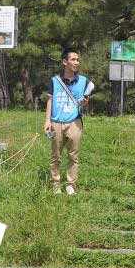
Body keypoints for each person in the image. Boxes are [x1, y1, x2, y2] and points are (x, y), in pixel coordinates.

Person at [44, 48, 94, 195]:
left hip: (75, 121)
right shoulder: (54, 80)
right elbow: (50, 100)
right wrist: (47, 121)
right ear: (65, 62)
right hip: (56, 122)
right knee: (56, 156)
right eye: (73, 59)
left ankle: (71, 184)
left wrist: (85, 102)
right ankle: (56, 184)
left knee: (73, 155)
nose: (76, 62)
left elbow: (84, 102)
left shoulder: (84, 81)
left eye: (78, 60)